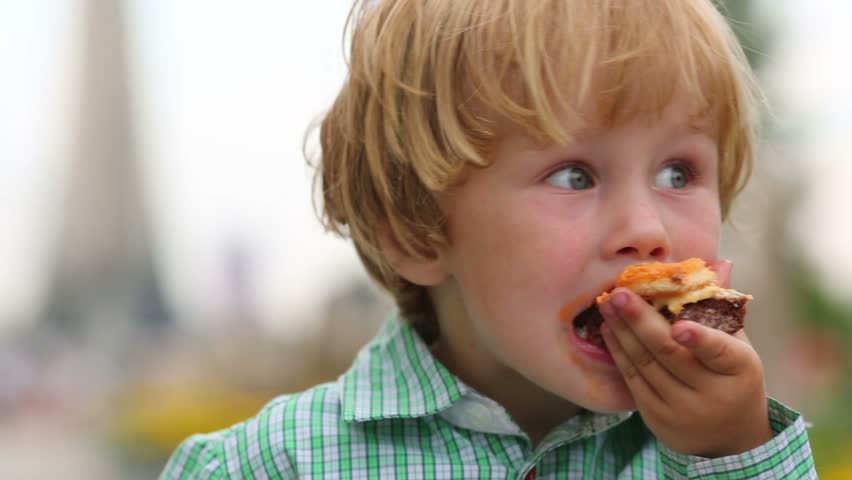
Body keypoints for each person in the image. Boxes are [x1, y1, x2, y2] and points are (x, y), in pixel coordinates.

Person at [160, 0, 817, 478]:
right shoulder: (276, 465)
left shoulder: (704, 455)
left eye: (679, 172)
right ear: (417, 229)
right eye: (574, 174)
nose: (647, 230)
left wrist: (730, 454)